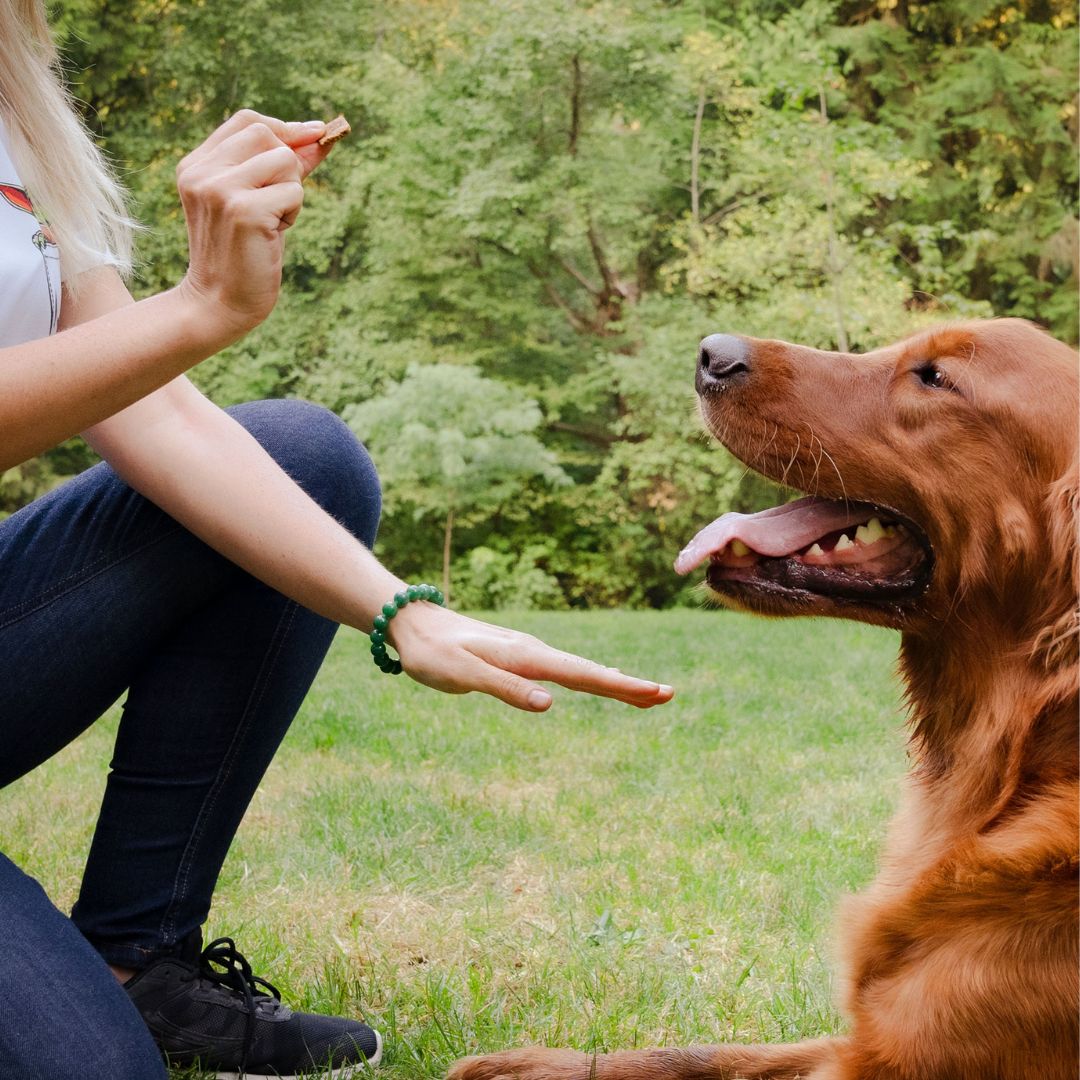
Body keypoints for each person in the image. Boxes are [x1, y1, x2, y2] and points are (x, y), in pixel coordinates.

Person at [0, 4, 674, 1078]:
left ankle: (141, 962)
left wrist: (401, 611)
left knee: (301, 456)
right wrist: (198, 308)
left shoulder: (18, 105)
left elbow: (151, 411)